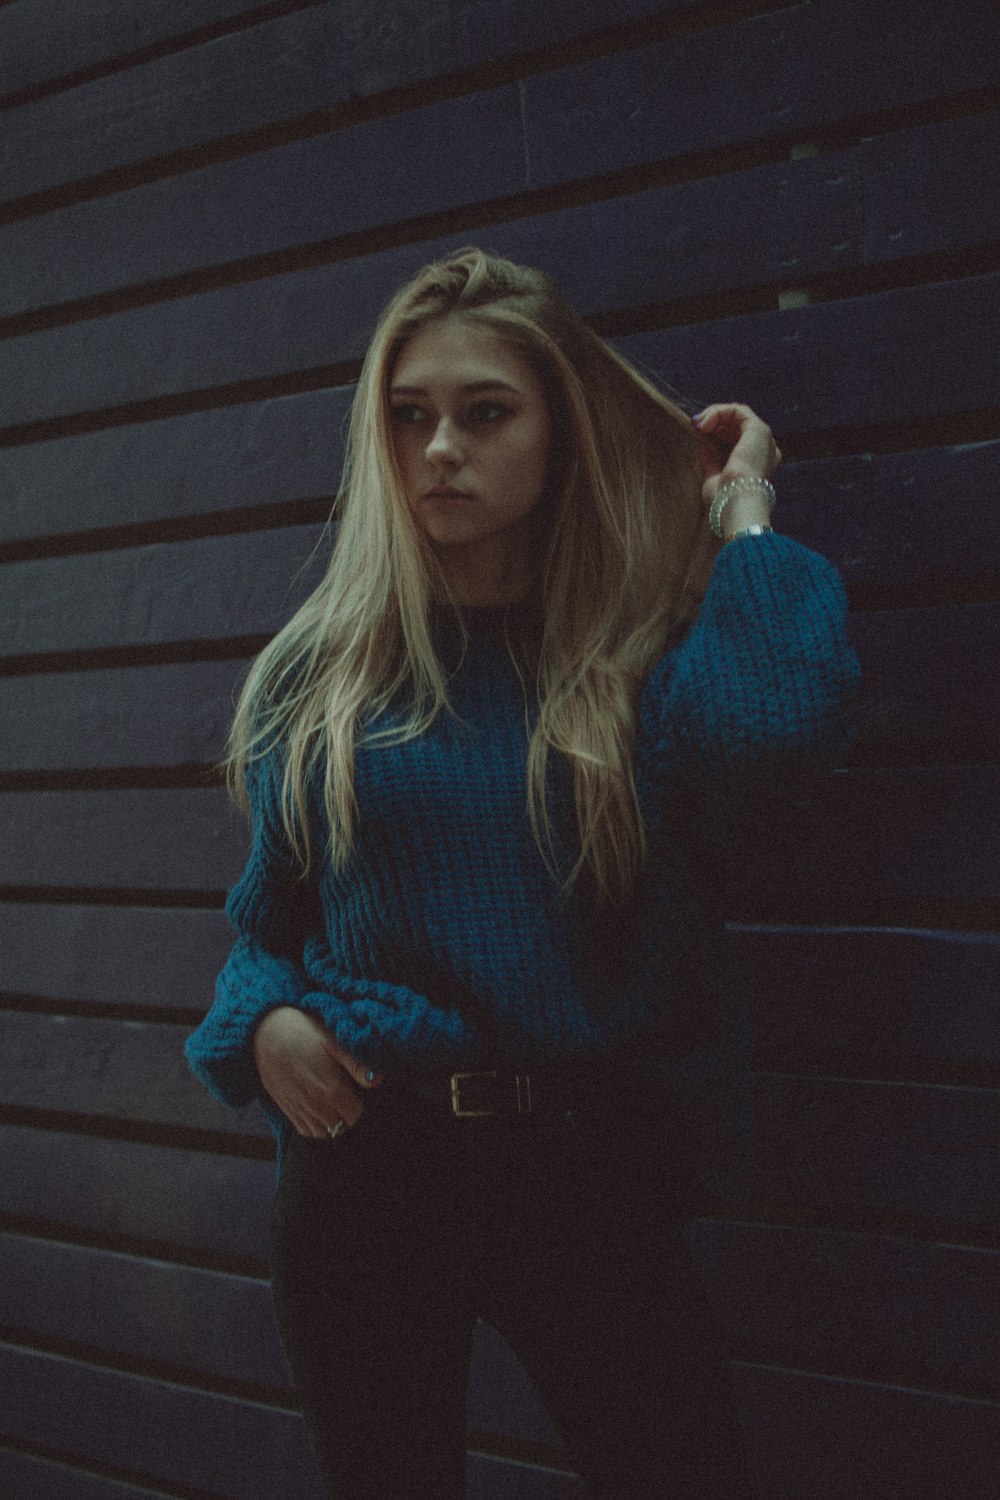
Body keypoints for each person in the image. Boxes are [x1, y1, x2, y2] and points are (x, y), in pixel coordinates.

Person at [186, 247, 859, 1499]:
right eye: (410, 415)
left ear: (558, 432)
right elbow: (265, 924)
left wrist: (741, 515)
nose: (439, 446)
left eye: (485, 412)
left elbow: (776, 729)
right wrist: (260, 1020)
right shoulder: (320, 673)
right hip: (367, 1165)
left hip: (584, 1163)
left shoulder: (631, 653)